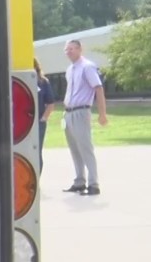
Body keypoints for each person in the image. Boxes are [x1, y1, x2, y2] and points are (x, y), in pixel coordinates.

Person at [61, 39, 108, 195]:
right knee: (74, 148)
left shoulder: (87, 67)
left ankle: (94, 184)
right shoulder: (70, 70)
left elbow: (98, 89)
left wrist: (102, 114)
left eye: (72, 49)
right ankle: (79, 181)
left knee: (85, 148)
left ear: (80, 49)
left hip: (81, 111)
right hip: (68, 112)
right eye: (67, 49)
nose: (69, 52)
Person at [34, 58, 55, 172]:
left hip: (38, 122)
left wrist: (43, 119)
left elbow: (51, 103)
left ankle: (37, 180)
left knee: (37, 152)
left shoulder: (43, 82)